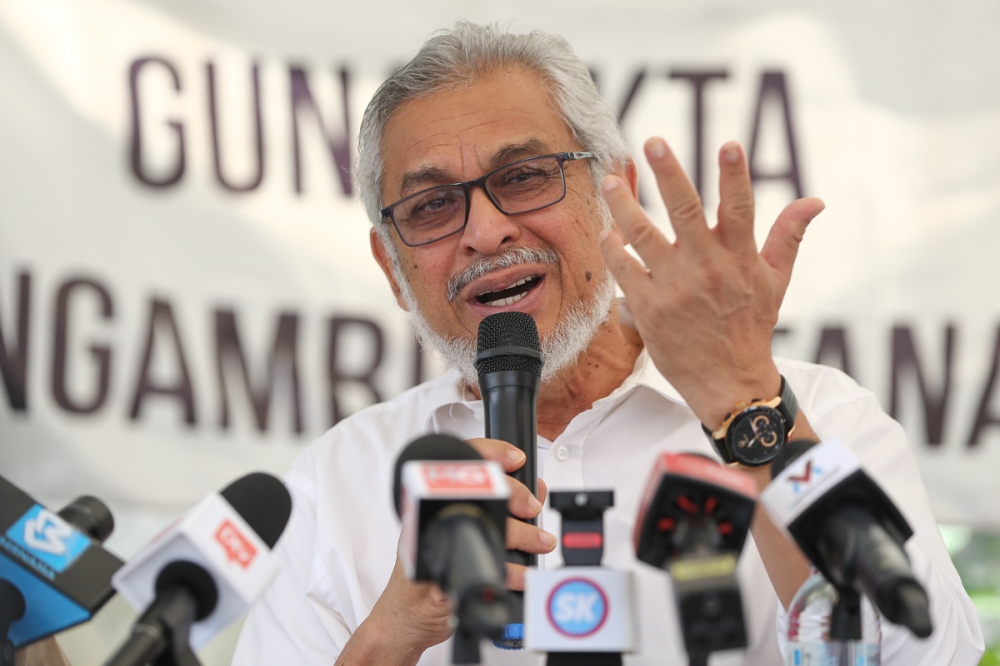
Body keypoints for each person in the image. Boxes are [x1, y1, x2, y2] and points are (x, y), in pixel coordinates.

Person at [233, 21, 982, 665]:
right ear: (392, 269)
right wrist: (395, 631)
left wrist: (742, 403)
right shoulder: (339, 483)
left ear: (609, 198)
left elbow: (927, 652)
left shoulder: (813, 413)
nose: (486, 231)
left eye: (524, 177)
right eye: (432, 206)